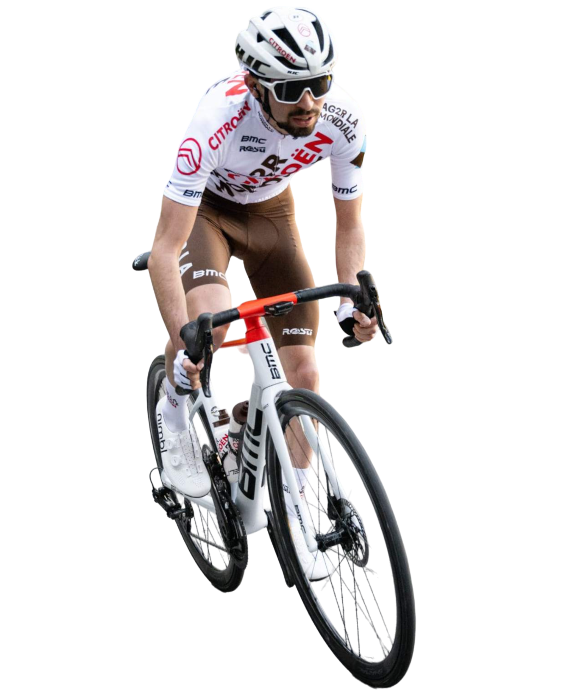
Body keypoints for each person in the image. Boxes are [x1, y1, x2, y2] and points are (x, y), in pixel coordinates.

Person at [149, 6, 378, 578]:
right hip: (205, 215)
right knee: (212, 325)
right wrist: (184, 340)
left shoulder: (345, 117)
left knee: (304, 373)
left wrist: (352, 298)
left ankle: (295, 512)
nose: (310, 101)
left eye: (320, 82)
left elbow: (348, 223)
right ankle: (174, 409)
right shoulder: (215, 118)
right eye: (292, 89)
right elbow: (163, 250)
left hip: (273, 214)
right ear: (255, 85)